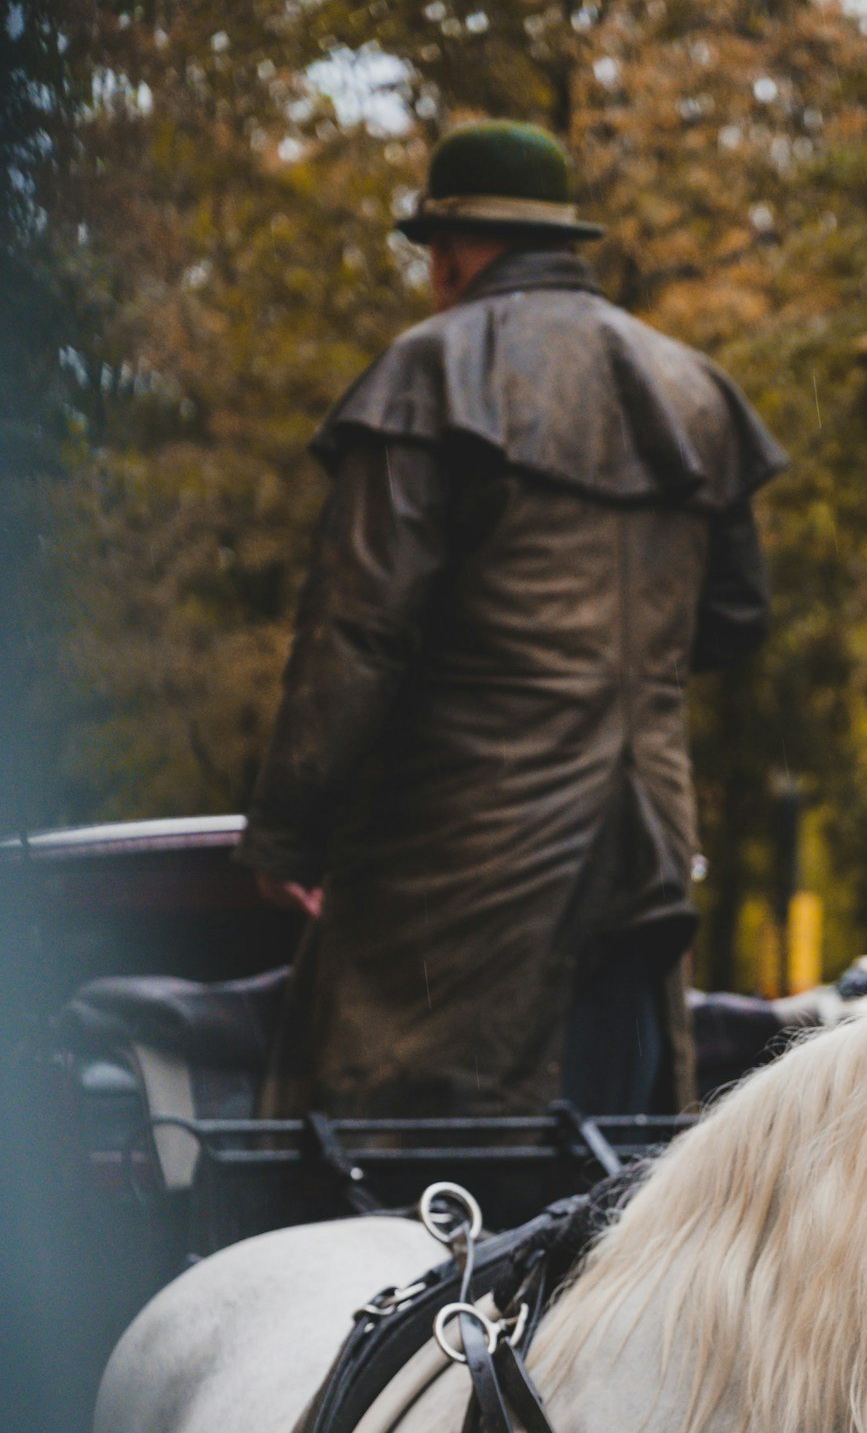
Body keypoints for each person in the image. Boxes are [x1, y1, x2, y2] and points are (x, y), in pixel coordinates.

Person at [238, 120, 785, 1117]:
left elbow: (356, 632)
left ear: (450, 252)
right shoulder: (692, 387)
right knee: (613, 1145)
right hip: (648, 838)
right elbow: (737, 615)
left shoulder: (429, 372)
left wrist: (285, 839)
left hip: (459, 844)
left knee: (412, 1152)